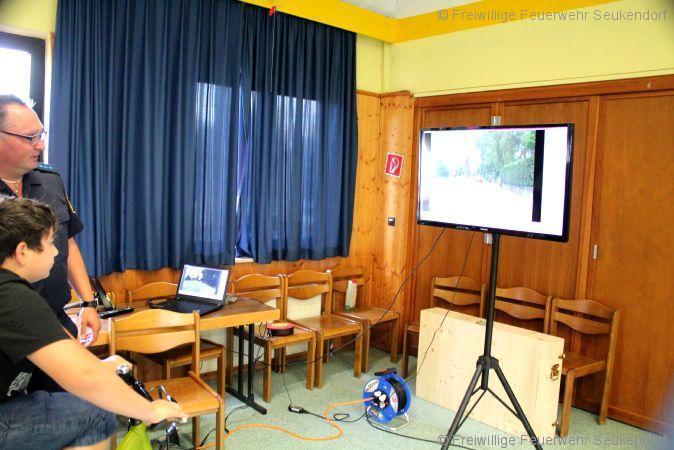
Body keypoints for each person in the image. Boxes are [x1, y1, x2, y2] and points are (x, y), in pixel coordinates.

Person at [0, 197, 188, 450]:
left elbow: (59, 341)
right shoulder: (11, 297)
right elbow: (84, 376)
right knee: (97, 414)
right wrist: (150, 410)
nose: (56, 252)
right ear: (22, 251)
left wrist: (100, 366)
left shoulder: (15, 290)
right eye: (50, 243)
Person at [0, 94, 99, 345]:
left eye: (40, 135)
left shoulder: (50, 181)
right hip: (9, 330)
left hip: (56, 320)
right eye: (30, 138)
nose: (41, 145)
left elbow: (68, 243)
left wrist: (88, 302)